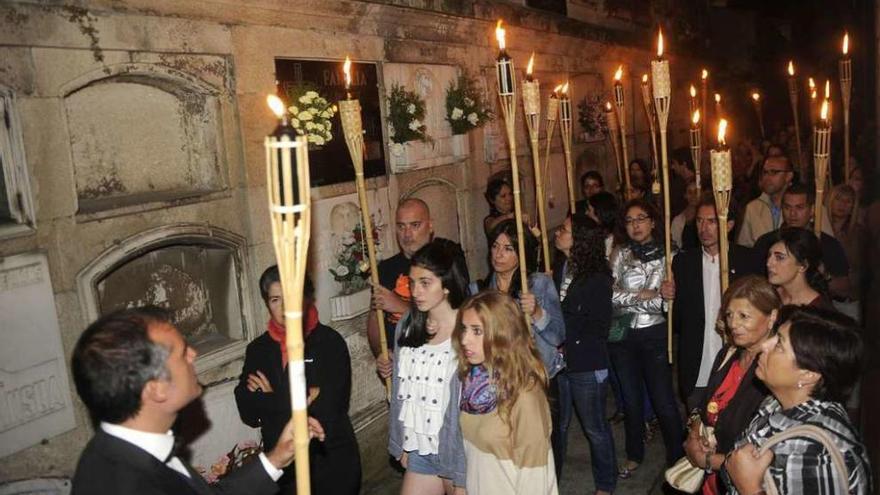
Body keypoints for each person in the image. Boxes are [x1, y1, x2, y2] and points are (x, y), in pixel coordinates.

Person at [71, 307, 325, 495]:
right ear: (157, 389)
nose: (193, 355)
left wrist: (277, 457)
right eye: (183, 353)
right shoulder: (127, 484)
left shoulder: (136, 448)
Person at [235, 267, 360, 494]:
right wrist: (301, 397)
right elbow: (248, 412)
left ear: (305, 298)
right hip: (284, 471)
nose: (284, 307)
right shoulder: (258, 350)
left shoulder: (329, 343)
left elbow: (327, 409)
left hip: (330, 464)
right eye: (275, 299)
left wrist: (270, 397)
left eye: (291, 298)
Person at [724, 306, 872, 495]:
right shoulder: (775, 404)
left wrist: (750, 489)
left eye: (779, 345)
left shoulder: (815, 453)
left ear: (808, 374)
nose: (764, 345)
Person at [384, 240, 470, 495]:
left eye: (425, 282)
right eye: (412, 282)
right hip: (421, 451)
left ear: (446, 284)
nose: (416, 291)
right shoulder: (408, 324)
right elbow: (403, 390)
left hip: (461, 450)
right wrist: (404, 442)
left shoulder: (471, 327)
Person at [683, 275, 780, 495]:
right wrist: (694, 434)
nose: (733, 324)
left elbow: (767, 456)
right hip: (711, 482)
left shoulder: (776, 371)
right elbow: (703, 403)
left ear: (772, 316)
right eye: (729, 315)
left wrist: (708, 460)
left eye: (744, 316)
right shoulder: (729, 353)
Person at [455, 291, 559, 494]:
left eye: (477, 331)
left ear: (502, 334)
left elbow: (535, 478)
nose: (465, 339)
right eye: (464, 329)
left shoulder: (525, 395)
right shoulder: (471, 383)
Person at [608, 199, 684, 476]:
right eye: (630, 220)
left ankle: (677, 455)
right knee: (630, 399)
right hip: (622, 333)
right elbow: (611, 296)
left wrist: (651, 299)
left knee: (663, 398)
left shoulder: (670, 255)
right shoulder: (619, 253)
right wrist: (646, 295)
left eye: (641, 218)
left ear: (653, 221)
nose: (636, 225)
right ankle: (634, 453)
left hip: (654, 332)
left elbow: (668, 304)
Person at [662, 196, 760, 406]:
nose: (704, 228)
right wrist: (667, 298)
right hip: (697, 362)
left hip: (737, 361)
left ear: (729, 224)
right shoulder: (684, 263)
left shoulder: (747, 261)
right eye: (699, 221)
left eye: (712, 221)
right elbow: (677, 320)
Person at [552, 213, 617, 494]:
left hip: (586, 362)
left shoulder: (596, 278)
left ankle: (605, 483)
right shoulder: (562, 268)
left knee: (594, 428)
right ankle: (551, 477)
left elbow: (599, 326)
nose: (558, 232)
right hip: (560, 362)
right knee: (559, 425)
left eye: (564, 229)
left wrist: (559, 325)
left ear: (578, 239)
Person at [473, 219, 565, 379]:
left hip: (535, 376)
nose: (499, 254)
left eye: (508, 249)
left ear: (522, 253)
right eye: (495, 246)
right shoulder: (480, 290)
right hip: (499, 377)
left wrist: (537, 313)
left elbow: (558, 336)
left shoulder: (538, 283)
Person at [752, 183, 849, 300]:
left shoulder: (827, 244)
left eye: (799, 208)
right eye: (787, 207)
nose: (793, 214)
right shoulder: (767, 242)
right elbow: (754, 282)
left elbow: (844, 288)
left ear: (812, 210)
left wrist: (825, 275)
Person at [368, 198, 435, 358]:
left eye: (415, 225)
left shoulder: (445, 263)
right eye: (401, 226)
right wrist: (381, 354)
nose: (407, 234)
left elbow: (451, 320)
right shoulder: (384, 269)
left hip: (432, 361)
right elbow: (375, 319)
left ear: (430, 225)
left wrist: (400, 306)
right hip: (398, 362)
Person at [766, 227, 833, 309]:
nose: (768, 263)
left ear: (803, 266)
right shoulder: (769, 296)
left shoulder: (818, 310)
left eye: (780, 258)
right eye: (769, 255)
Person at [827, 184, 866, 320]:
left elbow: (861, 268)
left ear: (853, 207)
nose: (842, 204)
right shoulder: (819, 228)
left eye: (848, 201)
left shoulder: (858, 234)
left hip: (848, 300)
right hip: (823, 299)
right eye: (838, 199)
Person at [737, 155, 793, 247]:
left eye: (774, 172)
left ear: (788, 176)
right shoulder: (753, 208)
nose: (767, 177)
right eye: (765, 172)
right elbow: (744, 247)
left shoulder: (803, 206)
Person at [670, 177, 699, 249]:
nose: (693, 196)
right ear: (685, 195)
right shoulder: (678, 220)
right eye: (690, 192)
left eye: (696, 192)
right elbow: (675, 245)